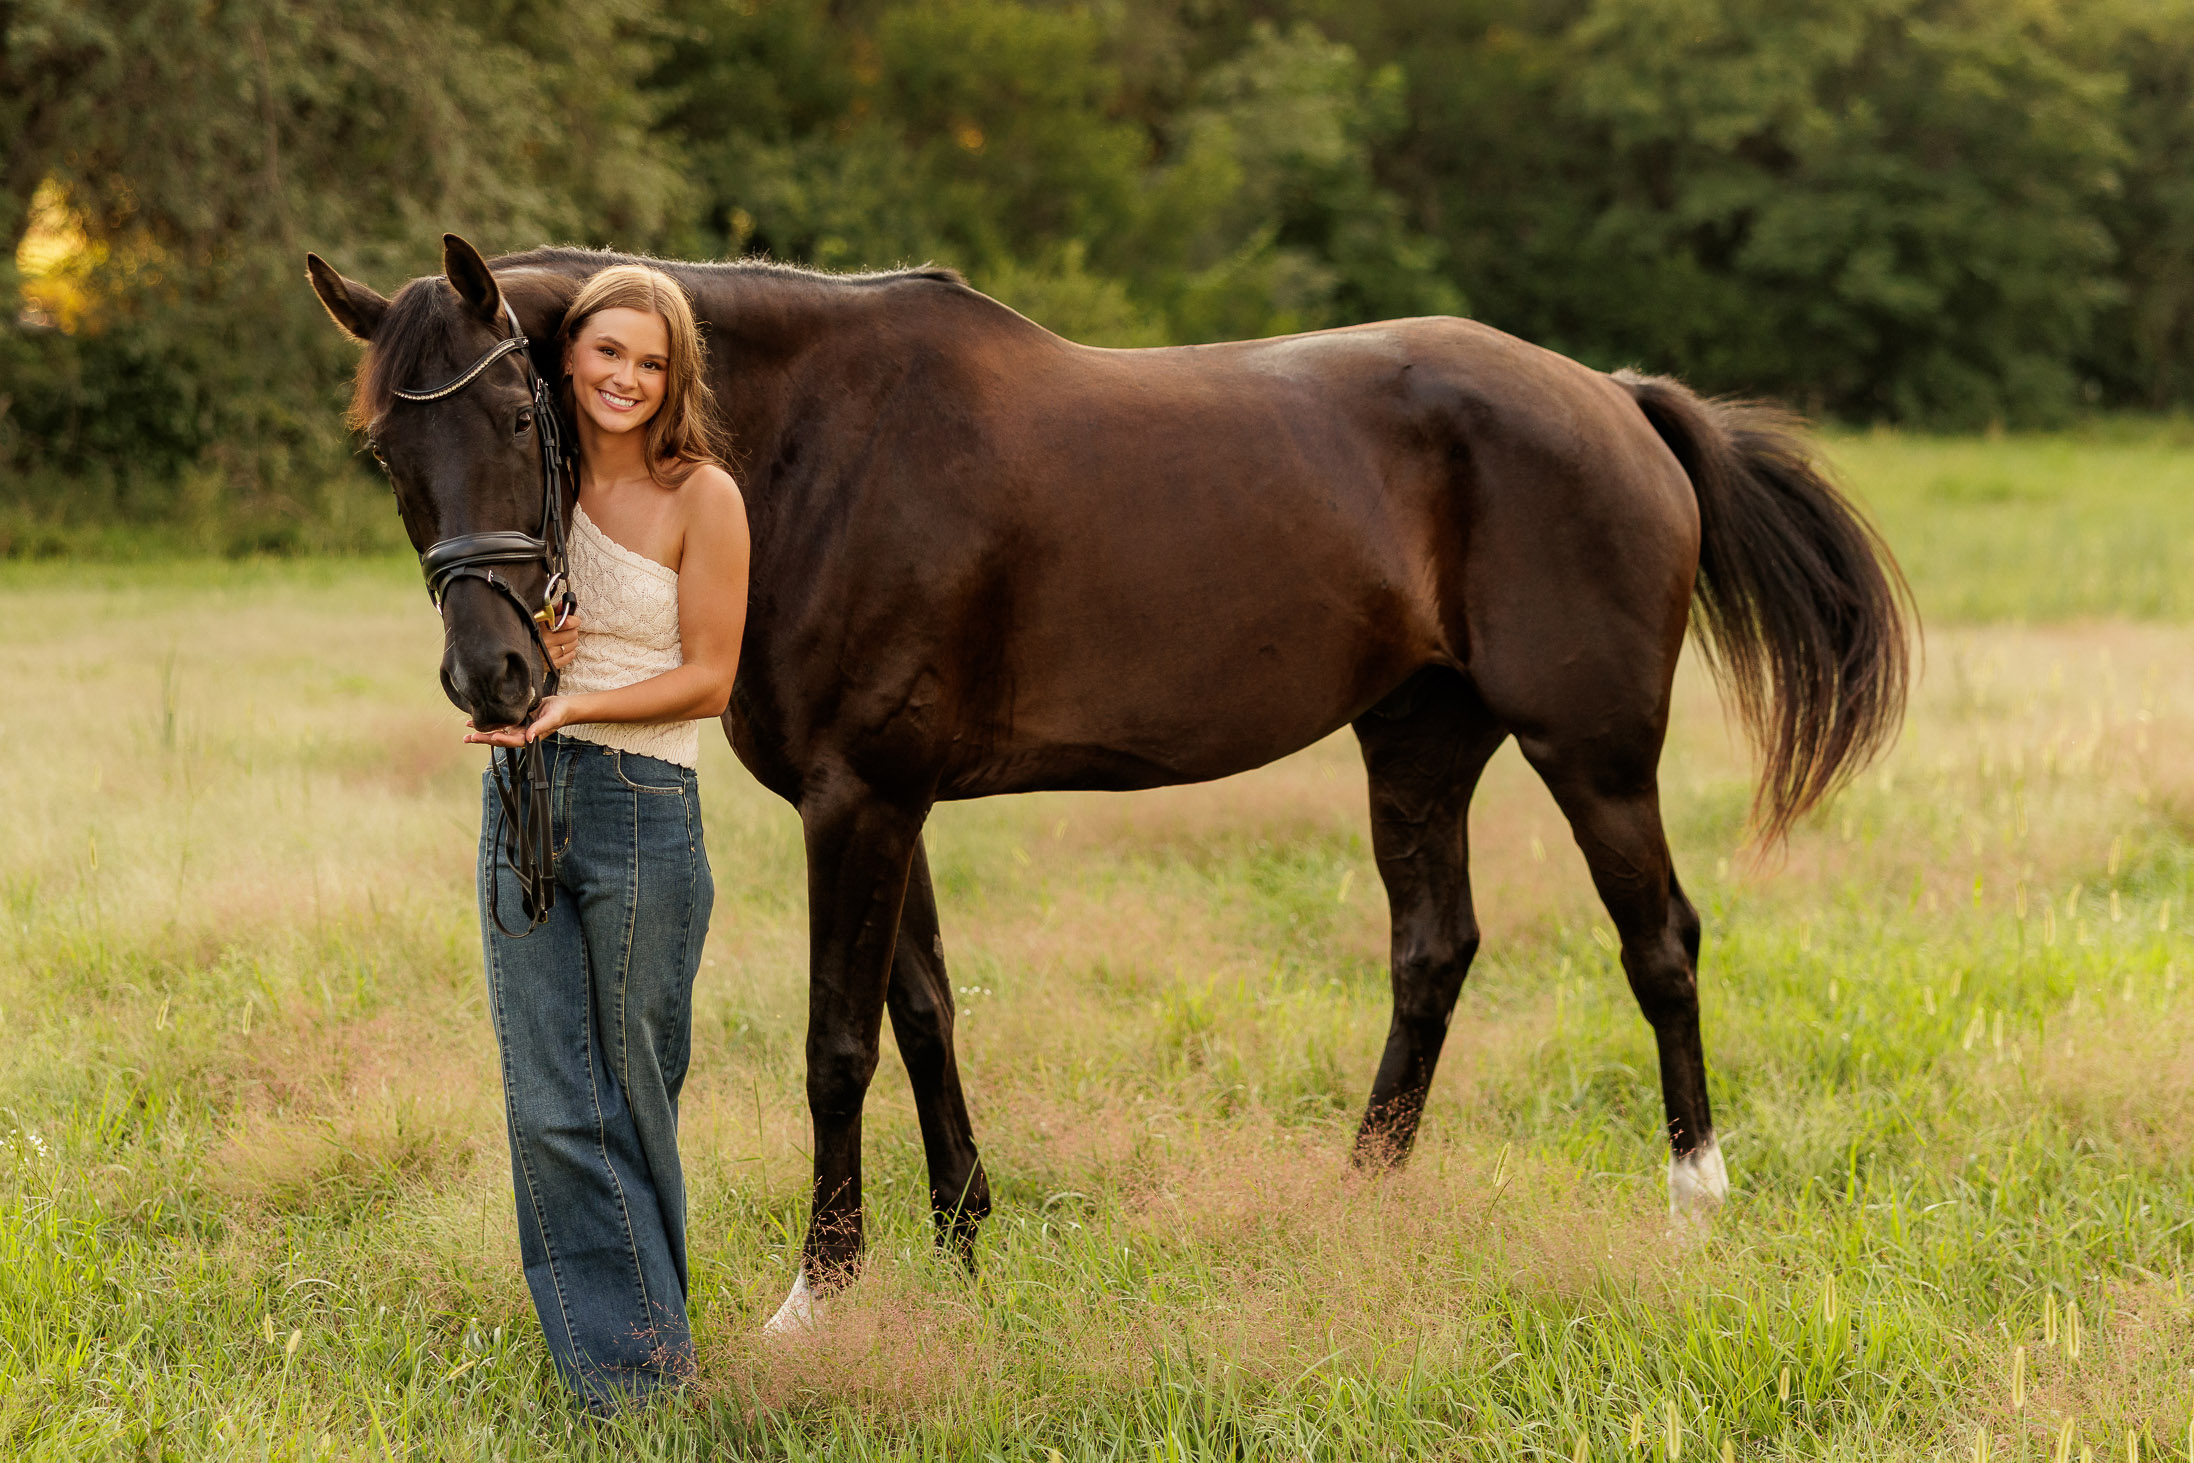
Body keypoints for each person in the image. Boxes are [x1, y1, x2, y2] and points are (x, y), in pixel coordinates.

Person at [464, 263, 749, 1411]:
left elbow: (712, 677)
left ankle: (647, 1369)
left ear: (674, 376)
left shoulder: (702, 495)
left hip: (642, 806)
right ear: (567, 358)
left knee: (631, 1089)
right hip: (524, 795)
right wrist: (536, 660)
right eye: (607, 352)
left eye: (651, 360)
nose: (626, 377)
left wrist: (577, 700)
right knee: (544, 1093)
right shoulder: (534, 480)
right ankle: (623, 1377)